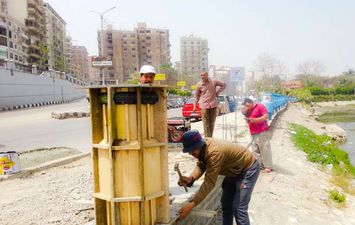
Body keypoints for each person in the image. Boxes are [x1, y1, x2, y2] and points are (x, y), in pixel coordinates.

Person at [177, 130, 260, 225]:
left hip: (247, 169)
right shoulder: (203, 148)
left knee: (239, 208)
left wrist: (192, 204)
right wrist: (191, 178)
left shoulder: (214, 152)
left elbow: (209, 182)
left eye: (192, 150)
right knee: (226, 205)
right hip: (233, 170)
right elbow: (201, 165)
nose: (190, 153)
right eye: (188, 151)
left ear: (199, 145)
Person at [242, 98, 273, 173]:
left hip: (262, 132)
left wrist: (255, 120)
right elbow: (249, 120)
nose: (247, 107)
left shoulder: (260, 106)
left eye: (247, 105)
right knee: (255, 150)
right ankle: (259, 166)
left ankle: (268, 166)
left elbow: (266, 116)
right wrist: (248, 120)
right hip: (253, 133)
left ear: (251, 103)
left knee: (265, 149)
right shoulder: (249, 111)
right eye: (245, 106)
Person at [194, 71, 226, 137]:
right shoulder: (199, 84)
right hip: (204, 106)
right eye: (201, 75)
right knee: (206, 124)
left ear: (207, 75)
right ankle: (208, 139)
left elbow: (224, 84)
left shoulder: (213, 81)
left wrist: (218, 92)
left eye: (204, 75)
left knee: (212, 123)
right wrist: (194, 105)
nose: (202, 77)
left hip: (213, 105)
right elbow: (197, 96)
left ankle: (210, 138)